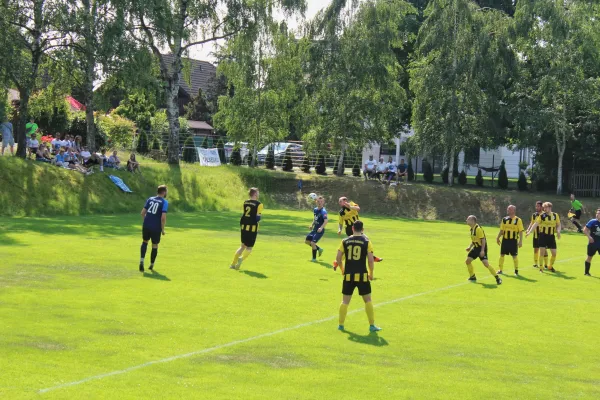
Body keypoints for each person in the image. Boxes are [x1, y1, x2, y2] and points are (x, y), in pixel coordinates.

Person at [335, 221, 382, 332]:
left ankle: (341, 325)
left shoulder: (344, 241)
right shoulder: (366, 242)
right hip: (362, 276)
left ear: (352, 229)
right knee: (368, 300)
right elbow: (370, 260)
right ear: (362, 230)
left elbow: (338, 258)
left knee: (345, 301)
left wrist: (342, 269)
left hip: (348, 276)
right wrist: (371, 273)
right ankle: (372, 326)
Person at [336, 197, 383, 264]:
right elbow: (340, 223)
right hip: (350, 229)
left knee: (354, 246)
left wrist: (350, 206)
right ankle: (372, 257)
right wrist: (339, 229)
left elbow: (358, 208)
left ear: (346, 201)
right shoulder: (341, 212)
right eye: (339, 202)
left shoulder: (352, 204)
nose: (340, 203)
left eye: (341, 201)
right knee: (365, 241)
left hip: (358, 227)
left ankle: (337, 261)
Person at [230, 187, 263, 270]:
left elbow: (244, 214)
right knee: (249, 247)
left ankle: (233, 264)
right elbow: (257, 218)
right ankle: (241, 259)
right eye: (257, 192)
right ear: (255, 194)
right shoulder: (259, 204)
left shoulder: (245, 202)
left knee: (242, 246)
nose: (258, 194)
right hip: (252, 228)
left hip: (244, 227)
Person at [465, 215, 502, 284]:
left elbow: (483, 240)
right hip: (475, 248)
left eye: (468, 219)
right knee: (468, 261)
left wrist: (482, 251)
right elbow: (475, 240)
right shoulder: (472, 229)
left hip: (481, 248)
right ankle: (472, 276)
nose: (466, 220)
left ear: (473, 221)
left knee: (486, 264)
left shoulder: (478, 229)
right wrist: (470, 247)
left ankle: (498, 278)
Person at [139, 185, 168, 272]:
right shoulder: (164, 202)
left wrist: (146, 222)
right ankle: (151, 265)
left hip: (146, 226)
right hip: (156, 228)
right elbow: (163, 218)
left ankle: (141, 261)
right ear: (163, 192)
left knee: (145, 242)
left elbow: (142, 213)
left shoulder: (150, 199)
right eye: (166, 191)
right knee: (154, 245)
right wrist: (162, 229)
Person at [526, 202, 561, 273]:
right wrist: (529, 232)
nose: (544, 209)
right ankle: (541, 268)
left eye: (546, 207)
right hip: (543, 236)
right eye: (544, 208)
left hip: (551, 236)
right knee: (541, 253)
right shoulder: (542, 215)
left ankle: (550, 266)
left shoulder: (555, 215)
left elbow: (558, 224)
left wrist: (558, 231)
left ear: (550, 207)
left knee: (554, 253)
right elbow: (535, 224)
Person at [496, 205, 524, 276]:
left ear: (513, 210)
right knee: (502, 254)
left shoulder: (518, 220)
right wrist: (498, 237)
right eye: (507, 208)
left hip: (513, 241)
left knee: (514, 255)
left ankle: (516, 271)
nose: (508, 210)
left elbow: (521, 231)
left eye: (509, 209)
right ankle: (500, 270)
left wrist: (520, 241)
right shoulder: (504, 219)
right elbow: (502, 230)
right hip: (505, 240)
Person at [305, 195, 328, 262]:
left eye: (321, 201)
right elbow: (315, 218)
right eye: (318, 201)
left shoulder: (323, 211)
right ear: (316, 202)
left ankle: (314, 259)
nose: (319, 203)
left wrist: (321, 228)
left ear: (323, 202)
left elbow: (326, 221)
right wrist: (311, 225)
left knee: (312, 243)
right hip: (314, 229)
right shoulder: (315, 209)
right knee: (307, 241)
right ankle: (319, 249)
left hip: (319, 230)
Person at [583, 208, 600, 276]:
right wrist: (589, 237)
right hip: (593, 243)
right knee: (589, 257)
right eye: (597, 213)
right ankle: (586, 272)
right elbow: (585, 230)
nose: (597, 215)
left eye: (599, 214)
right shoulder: (592, 221)